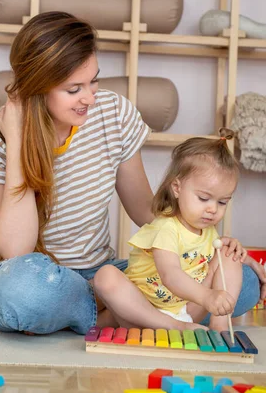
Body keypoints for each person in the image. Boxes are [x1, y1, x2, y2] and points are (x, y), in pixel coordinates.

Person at [0, 11, 266, 336]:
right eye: (74, 88)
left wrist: (213, 250)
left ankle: (103, 310)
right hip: (22, 274)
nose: (90, 98)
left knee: (241, 285)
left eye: (93, 81)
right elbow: (16, 250)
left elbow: (146, 211)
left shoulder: (112, 112)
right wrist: (18, 140)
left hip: (99, 272)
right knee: (28, 293)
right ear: (37, 87)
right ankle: (112, 313)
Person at [93, 131, 247, 331]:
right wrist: (208, 296)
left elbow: (212, 264)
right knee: (106, 276)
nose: (212, 209)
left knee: (230, 256)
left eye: (222, 202)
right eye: (203, 198)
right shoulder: (166, 227)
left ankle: (220, 324)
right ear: (176, 188)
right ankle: (172, 326)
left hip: (185, 310)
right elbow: (170, 275)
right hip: (145, 310)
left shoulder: (208, 231)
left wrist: (228, 249)